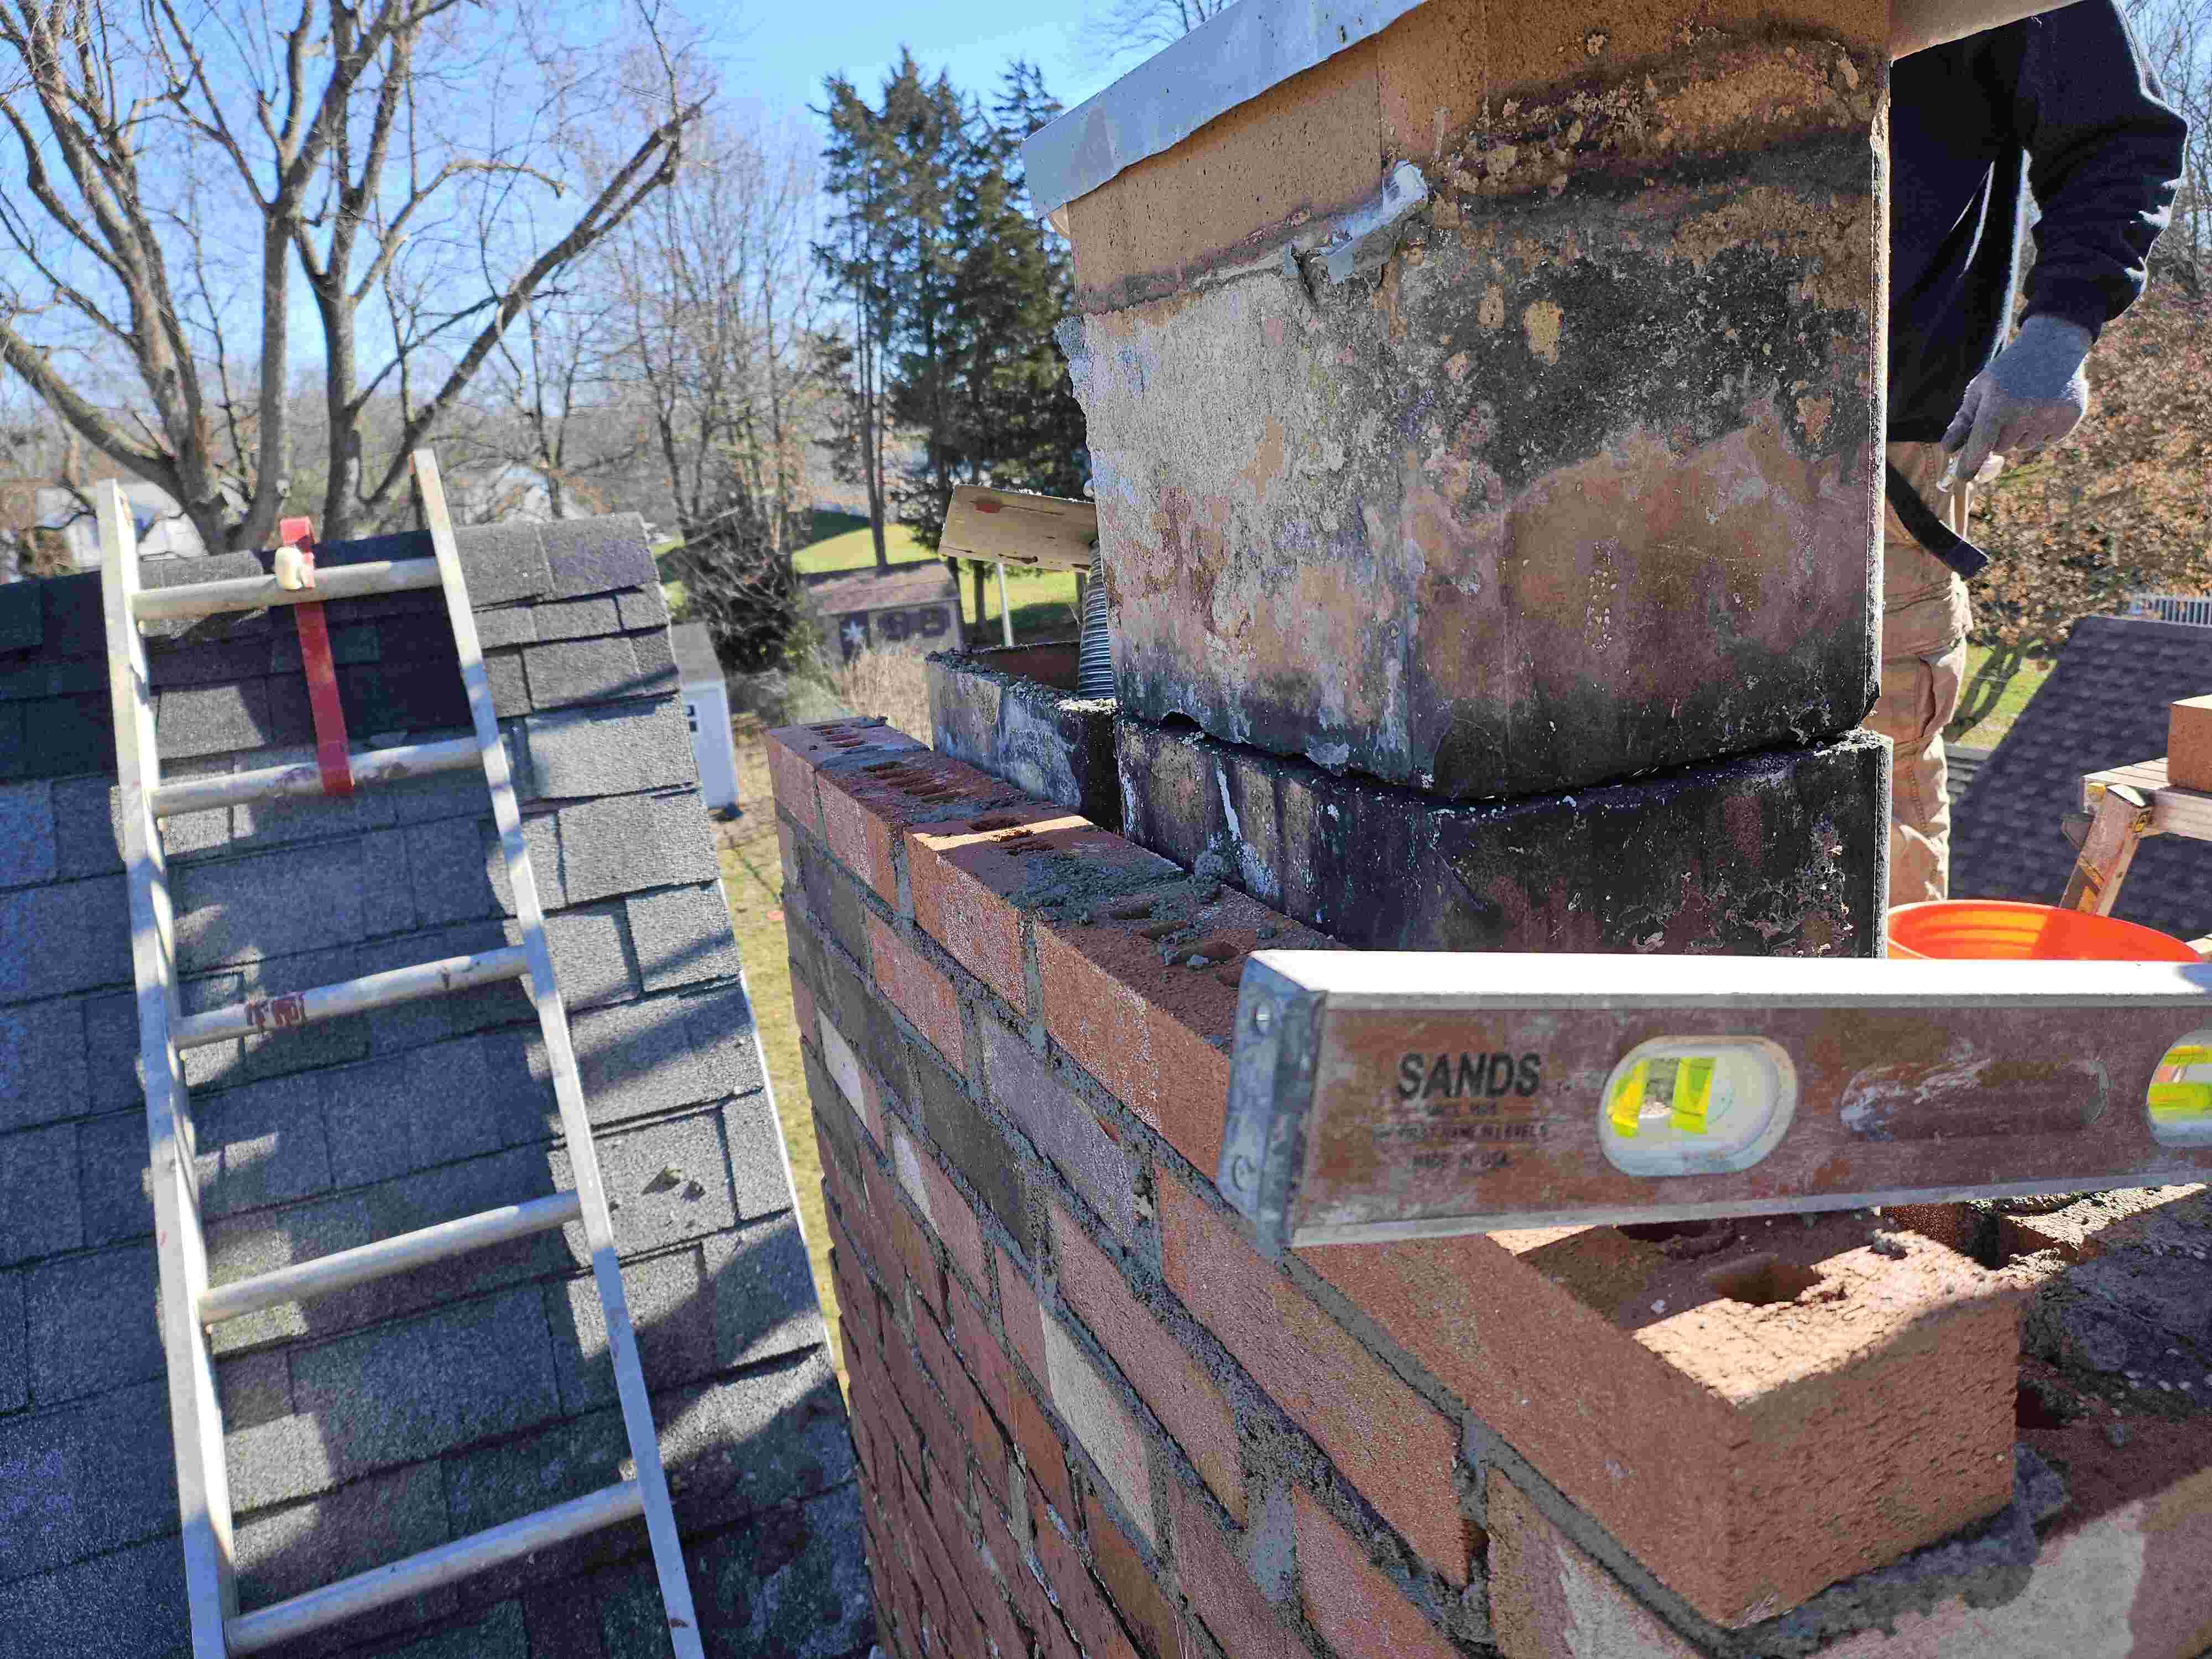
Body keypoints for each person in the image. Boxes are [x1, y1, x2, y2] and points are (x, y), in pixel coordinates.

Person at [1874, 0, 2187, 902]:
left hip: (1877, 465)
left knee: (1874, 781)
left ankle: (1880, 1037)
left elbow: (2120, 134)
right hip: (1609, 460)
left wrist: (2058, 328)